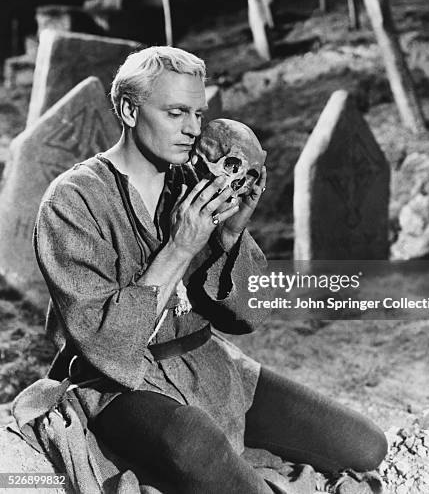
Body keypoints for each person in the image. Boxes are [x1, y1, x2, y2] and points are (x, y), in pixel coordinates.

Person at [34, 46, 387, 493]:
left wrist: (230, 237)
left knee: (363, 446)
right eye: (176, 112)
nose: (192, 130)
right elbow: (107, 346)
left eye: (198, 114)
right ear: (127, 109)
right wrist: (181, 246)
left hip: (212, 367)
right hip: (119, 386)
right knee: (195, 446)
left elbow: (247, 317)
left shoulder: (194, 182)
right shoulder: (73, 201)